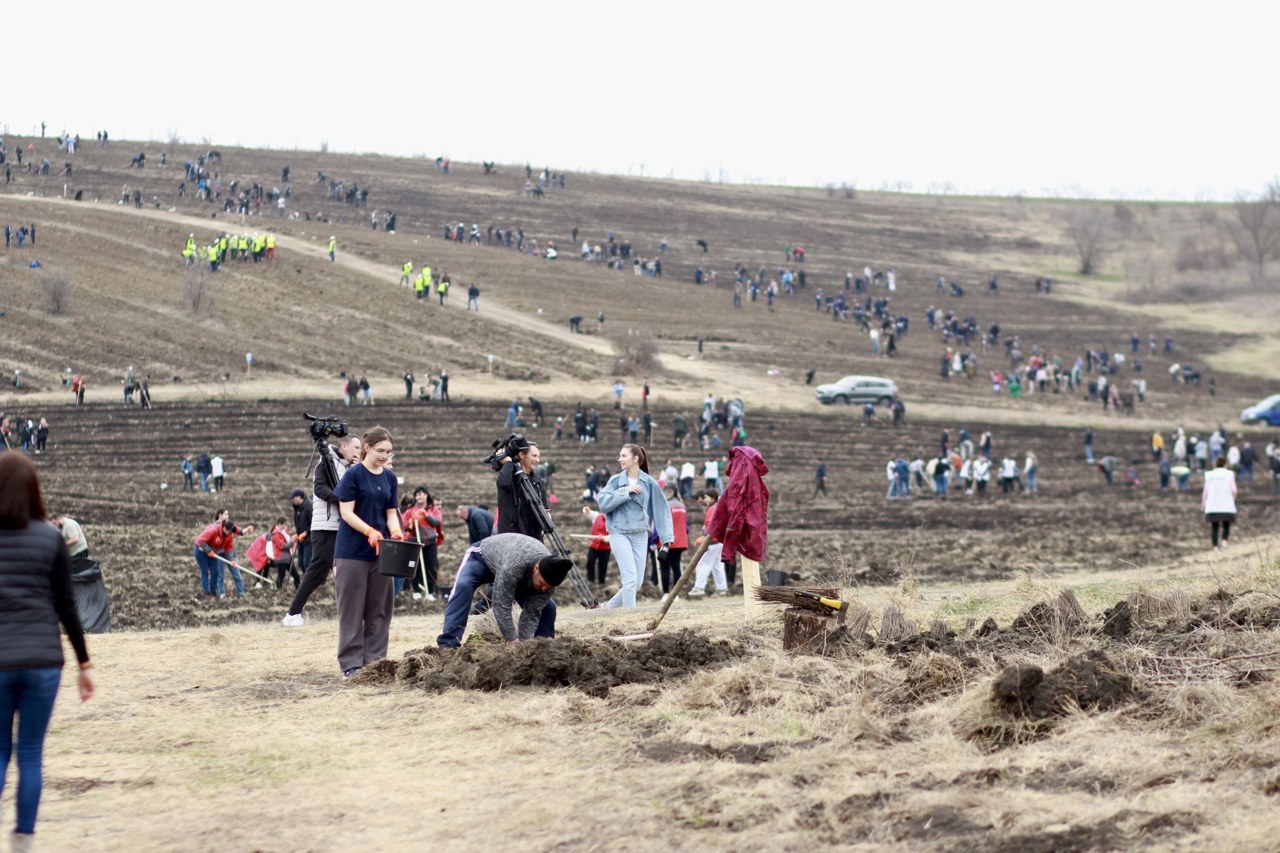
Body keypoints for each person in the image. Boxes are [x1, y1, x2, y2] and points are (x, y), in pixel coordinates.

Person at [0, 452, 95, 850]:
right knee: (31, 754)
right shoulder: (49, 538)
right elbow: (66, 606)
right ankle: (23, 841)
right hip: (43, 661)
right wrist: (84, 663)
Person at [332, 427, 403, 678]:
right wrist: (369, 531)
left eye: (389, 452)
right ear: (367, 448)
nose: (385, 455)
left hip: (381, 552)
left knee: (380, 609)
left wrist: (394, 532)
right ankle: (351, 664)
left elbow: (391, 513)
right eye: (380, 450)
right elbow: (347, 513)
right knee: (352, 609)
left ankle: (375, 662)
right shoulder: (353, 475)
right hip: (352, 551)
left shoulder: (389, 478)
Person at [437, 533, 572, 647]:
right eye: (542, 583)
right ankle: (448, 644)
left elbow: (531, 614)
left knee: (548, 607)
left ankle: (544, 648)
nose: (544, 589)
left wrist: (525, 645)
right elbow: (501, 606)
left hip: (517, 575)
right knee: (463, 586)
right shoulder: (515, 565)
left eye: (548, 587)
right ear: (536, 568)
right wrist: (512, 639)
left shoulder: (550, 580)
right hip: (481, 558)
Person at [283, 434, 361, 627]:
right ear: (344, 445)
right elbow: (319, 489)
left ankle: (353, 613)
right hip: (326, 526)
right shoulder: (326, 463)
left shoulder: (350, 467)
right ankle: (293, 613)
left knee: (342, 570)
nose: (359, 452)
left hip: (342, 526)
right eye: (356, 447)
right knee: (318, 571)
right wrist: (340, 500)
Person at [596, 445, 674, 609]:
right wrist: (625, 491)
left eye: (623, 456)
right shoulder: (615, 481)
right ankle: (630, 617)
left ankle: (606, 608)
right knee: (630, 579)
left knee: (636, 583)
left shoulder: (649, 482)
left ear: (635, 458)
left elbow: (662, 510)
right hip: (619, 533)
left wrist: (666, 539)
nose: (620, 459)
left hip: (640, 534)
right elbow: (603, 502)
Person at [495, 438, 546, 539]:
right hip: (511, 537)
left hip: (533, 537)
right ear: (522, 455)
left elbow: (544, 506)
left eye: (539, 457)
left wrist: (546, 518)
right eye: (534, 456)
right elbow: (503, 483)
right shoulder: (510, 475)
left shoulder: (537, 481)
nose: (537, 460)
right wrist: (508, 463)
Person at [687, 489, 727, 597]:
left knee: (703, 564)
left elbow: (710, 526)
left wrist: (704, 538)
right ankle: (722, 588)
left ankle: (699, 588)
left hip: (712, 542)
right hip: (720, 541)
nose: (705, 500)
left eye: (707, 497)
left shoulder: (712, 509)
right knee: (717, 566)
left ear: (713, 498)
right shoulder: (718, 507)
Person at [1202, 456, 1238, 550]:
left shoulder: (1209, 475)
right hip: (1227, 505)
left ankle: (1215, 547)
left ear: (1215, 464)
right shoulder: (1229, 474)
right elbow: (1234, 490)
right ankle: (1224, 542)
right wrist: (1232, 499)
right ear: (1225, 464)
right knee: (1226, 525)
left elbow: (1205, 492)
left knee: (1214, 526)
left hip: (1212, 505)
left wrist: (1203, 504)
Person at [660, 488, 688, 601]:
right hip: (680, 540)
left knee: (664, 567)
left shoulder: (665, 505)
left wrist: (654, 540)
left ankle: (666, 593)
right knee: (676, 566)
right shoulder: (682, 506)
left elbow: (662, 523)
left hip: (667, 539)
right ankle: (676, 594)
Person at [581, 505, 612, 586]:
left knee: (603, 565)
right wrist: (586, 510)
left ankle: (601, 582)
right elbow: (587, 512)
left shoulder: (614, 521)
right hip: (593, 546)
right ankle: (590, 579)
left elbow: (614, 536)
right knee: (590, 562)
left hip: (605, 548)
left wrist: (605, 539)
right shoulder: (597, 516)